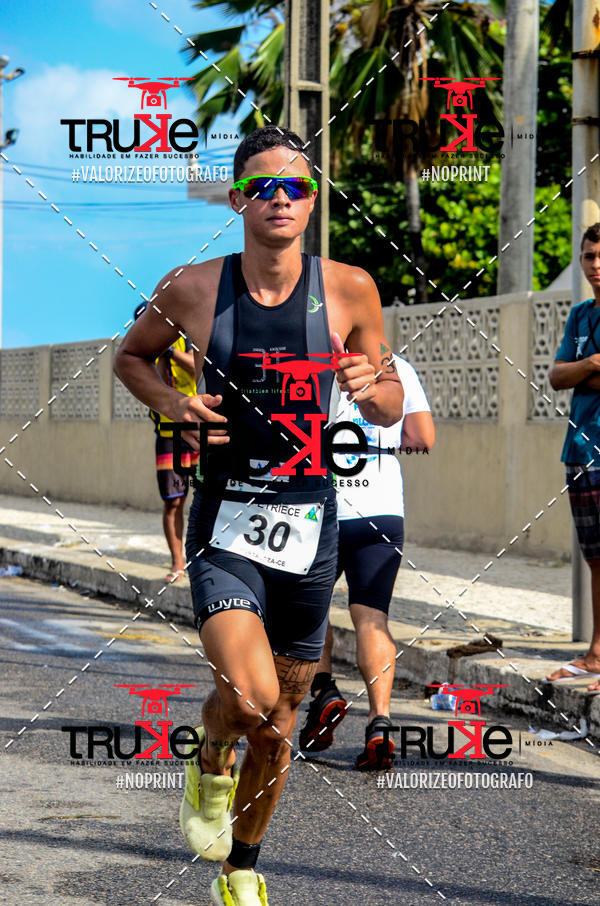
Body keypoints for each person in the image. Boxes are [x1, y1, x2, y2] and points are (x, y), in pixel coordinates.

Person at [114, 125, 404, 906]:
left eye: (296, 187)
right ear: (239, 197)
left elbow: (389, 400)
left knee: (280, 721)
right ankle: (209, 760)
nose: (280, 198)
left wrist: (369, 385)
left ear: (313, 202)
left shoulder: (349, 288)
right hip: (227, 521)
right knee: (244, 701)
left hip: (312, 522)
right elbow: (129, 356)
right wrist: (174, 403)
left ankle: (242, 868)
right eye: (264, 186)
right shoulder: (192, 287)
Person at [299, 355, 434, 769]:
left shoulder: (308, 357)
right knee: (372, 618)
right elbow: (422, 436)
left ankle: (324, 690)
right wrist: (380, 438)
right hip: (382, 509)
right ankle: (380, 721)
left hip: (319, 505)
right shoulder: (398, 367)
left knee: (311, 610)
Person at [547, 222, 600, 689]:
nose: (596, 266)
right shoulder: (581, 315)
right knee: (595, 557)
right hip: (580, 449)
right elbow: (556, 376)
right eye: (589, 256)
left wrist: (577, 372)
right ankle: (597, 653)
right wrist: (589, 366)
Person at [133, 302, 199, 583]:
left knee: (211, 498)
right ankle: (177, 563)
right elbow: (151, 384)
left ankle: (205, 561)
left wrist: (171, 350)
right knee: (173, 501)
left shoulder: (189, 337)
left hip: (200, 431)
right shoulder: (142, 354)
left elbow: (199, 367)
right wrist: (158, 355)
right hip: (168, 433)